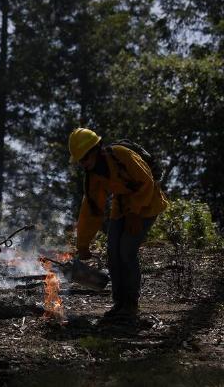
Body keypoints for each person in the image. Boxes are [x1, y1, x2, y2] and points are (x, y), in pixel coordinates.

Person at [69, 128, 168, 320]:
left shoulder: (122, 155)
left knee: (126, 250)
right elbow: (91, 210)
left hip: (147, 204)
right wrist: (82, 244)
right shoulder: (93, 176)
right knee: (113, 251)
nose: (82, 164)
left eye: (84, 158)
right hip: (122, 207)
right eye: (79, 160)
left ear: (96, 149)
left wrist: (135, 213)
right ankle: (119, 303)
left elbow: (147, 181)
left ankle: (130, 304)